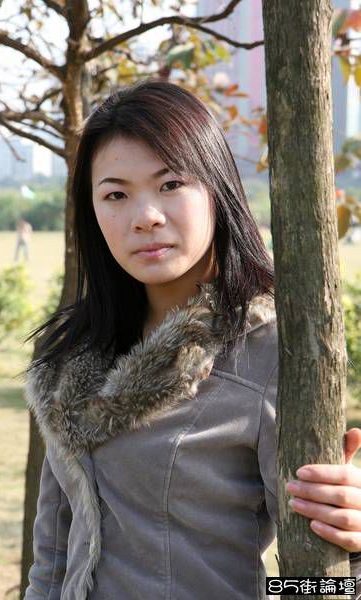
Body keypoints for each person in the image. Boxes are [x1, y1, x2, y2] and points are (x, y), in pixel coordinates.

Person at [22, 78, 361, 600]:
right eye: (116, 194)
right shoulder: (76, 358)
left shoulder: (271, 352)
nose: (145, 217)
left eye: (170, 184)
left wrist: (355, 548)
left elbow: (321, 584)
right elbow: (52, 561)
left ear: (216, 187)